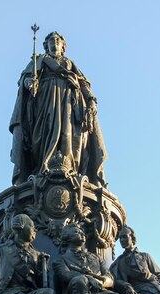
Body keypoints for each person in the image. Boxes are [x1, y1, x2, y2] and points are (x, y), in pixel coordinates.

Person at [10, 31, 107, 186]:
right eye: (51, 41)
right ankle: (43, 168)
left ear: (63, 46)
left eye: (57, 40)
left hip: (69, 102)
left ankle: (70, 169)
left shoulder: (70, 63)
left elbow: (83, 83)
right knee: (45, 132)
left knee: (68, 134)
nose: (55, 43)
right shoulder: (40, 60)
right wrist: (29, 82)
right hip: (46, 100)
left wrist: (90, 99)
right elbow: (26, 78)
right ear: (46, 46)